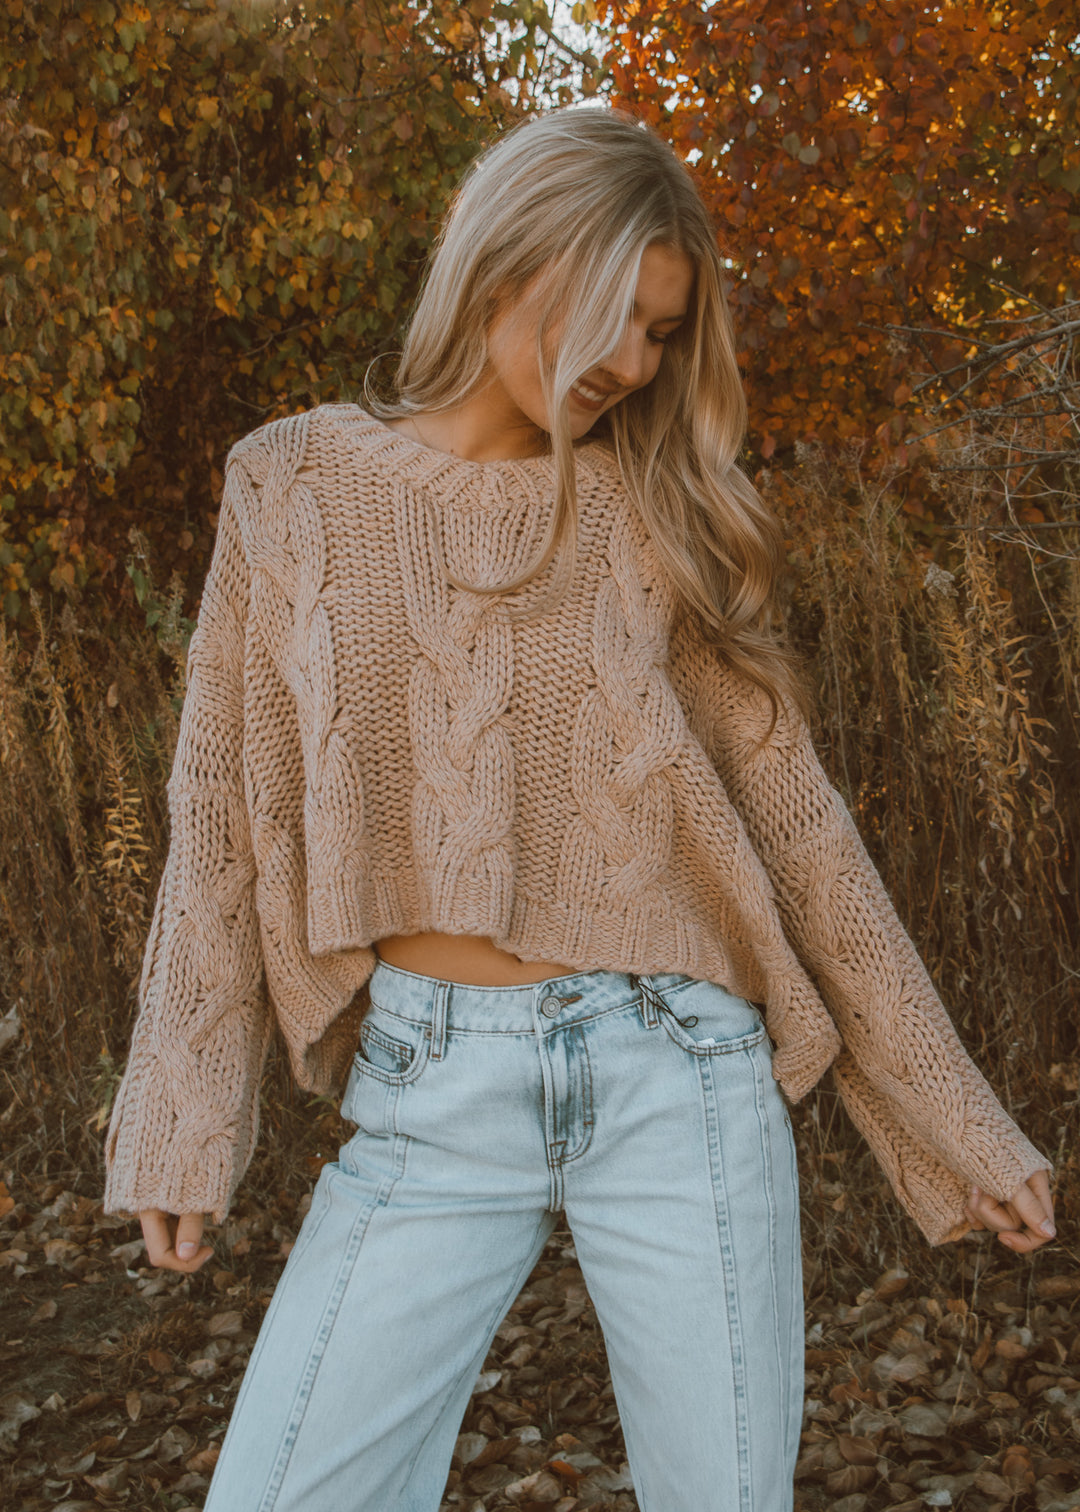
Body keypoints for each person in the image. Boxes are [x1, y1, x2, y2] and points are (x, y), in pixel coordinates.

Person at [102, 106, 1054, 1512]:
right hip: (429, 1093)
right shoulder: (289, 483)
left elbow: (799, 827)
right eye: (618, 319)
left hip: (679, 1073)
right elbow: (222, 821)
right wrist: (183, 1109)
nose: (636, 363)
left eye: (664, 335)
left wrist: (953, 1115)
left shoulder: (657, 510)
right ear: (510, 264)